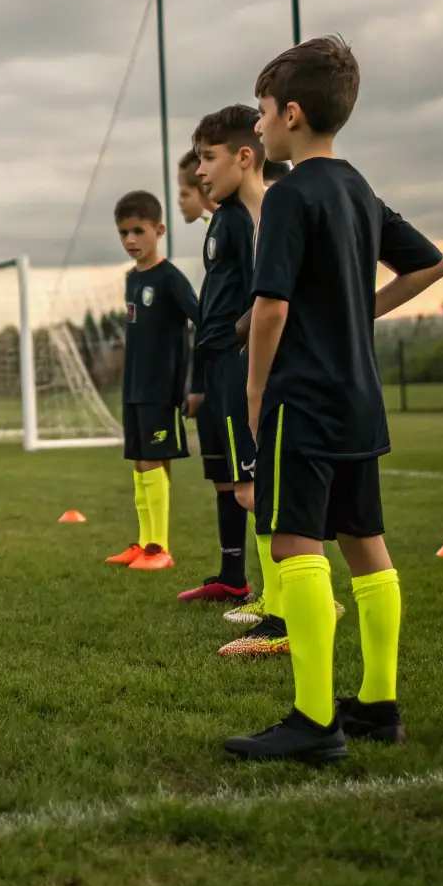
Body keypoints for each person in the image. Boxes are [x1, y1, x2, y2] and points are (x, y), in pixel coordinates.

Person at [225, 36, 443, 762]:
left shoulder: (289, 194)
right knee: (365, 544)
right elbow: (430, 264)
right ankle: (379, 705)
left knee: (294, 542)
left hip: (304, 398)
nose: (256, 129)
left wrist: (257, 388)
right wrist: (362, 308)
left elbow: (270, 309)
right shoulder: (357, 187)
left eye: (261, 114)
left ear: (291, 114)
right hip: (359, 397)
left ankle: (315, 720)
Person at [176, 108, 267, 618]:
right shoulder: (225, 220)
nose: (201, 171)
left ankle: (274, 601)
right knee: (227, 479)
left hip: (234, 365)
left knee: (251, 486)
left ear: (244, 156)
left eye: (208, 159)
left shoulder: (247, 222)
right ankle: (233, 578)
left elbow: (264, 297)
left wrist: (233, 341)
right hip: (214, 364)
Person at [105, 191, 198, 571]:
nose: (130, 240)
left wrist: (194, 382)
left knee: (155, 463)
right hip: (135, 389)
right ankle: (144, 543)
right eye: (124, 233)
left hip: (162, 390)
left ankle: (160, 548)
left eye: (138, 231)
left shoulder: (171, 278)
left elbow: (202, 321)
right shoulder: (131, 279)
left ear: (158, 230)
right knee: (140, 464)